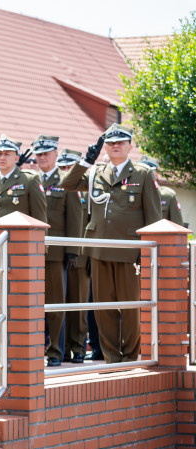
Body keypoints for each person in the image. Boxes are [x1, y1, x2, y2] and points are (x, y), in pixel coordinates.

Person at [60, 124, 162, 363]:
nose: (116, 146)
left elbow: (154, 217)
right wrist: (86, 160)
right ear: (105, 146)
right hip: (98, 249)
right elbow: (67, 184)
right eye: (111, 142)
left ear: (130, 146)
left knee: (130, 307)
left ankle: (129, 356)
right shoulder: (96, 172)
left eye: (121, 142)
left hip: (129, 252)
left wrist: (146, 252)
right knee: (103, 307)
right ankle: (111, 357)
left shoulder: (143, 174)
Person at [32, 135, 84, 367]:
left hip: (55, 254)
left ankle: (56, 351)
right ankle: (36, 350)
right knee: (32, 303)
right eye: (39, 154)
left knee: (55, 305)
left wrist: (72, 250)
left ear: (55, 155)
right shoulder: (30, 180)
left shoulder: (66, 181)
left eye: (46, 154)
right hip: (31, 253)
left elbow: (75, 217)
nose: (42, 158)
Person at [56, 150, 90, 363]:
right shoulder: (57, 188)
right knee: (61, 303)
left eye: (70, 168)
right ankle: (64, 347)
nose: (66, 172)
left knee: (78, 304)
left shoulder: (84, 191)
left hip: (80, 255)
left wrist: (78, 252)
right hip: (61, 254)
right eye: (63, 168)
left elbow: (83, 224)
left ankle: (78, 346)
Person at [0, 135, 47, 222]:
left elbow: (39, 217)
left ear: (16, 158)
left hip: (19, 234)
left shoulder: (29, 180)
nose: (2, 158)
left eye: (7, 154)